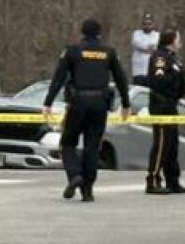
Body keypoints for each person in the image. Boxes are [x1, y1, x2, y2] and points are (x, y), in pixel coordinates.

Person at [43, 18, 131, 202]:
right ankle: (87, 190)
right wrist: (126, 104)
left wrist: (48, 102)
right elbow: (121, 78)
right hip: (100, 104)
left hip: (78, 103)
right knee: (92, 147)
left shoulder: (73, 50)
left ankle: (75, 175)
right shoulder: (109, 52)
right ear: (99, 34)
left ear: (82, 33)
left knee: (68, 142)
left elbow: (58, 77)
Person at [145, 28, 185, 195]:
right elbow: (158, 81)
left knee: (172, 145)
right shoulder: (160, 58)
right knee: (162, 144)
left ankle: (173, 180)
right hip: (161, 106)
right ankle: (153, 180)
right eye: (178, 39)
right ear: (171, 41)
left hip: (171, 105)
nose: (180, 42)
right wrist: (176, 76)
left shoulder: (173, 59)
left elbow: (182, 82)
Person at [130, 13, 158, 86]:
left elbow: (155, 47)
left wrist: (145, 47)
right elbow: (138, 44)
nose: (147, 26)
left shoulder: (157, 35)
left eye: (149, 23)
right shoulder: (136, 33)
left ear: (153, 24)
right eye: (144, 23)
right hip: (138, 72)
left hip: (152, 72)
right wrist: (148, 47)